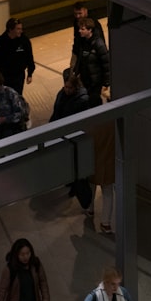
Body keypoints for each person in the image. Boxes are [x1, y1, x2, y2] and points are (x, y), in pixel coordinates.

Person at [50, 68, 93, 206]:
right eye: (65, 86)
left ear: (76, 87)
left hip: (74, 136)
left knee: (74, 161)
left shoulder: (82, 100)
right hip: (62, 134)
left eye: (69, 87)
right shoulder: (61, 94)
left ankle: (75, 185)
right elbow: (56, 112)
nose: (66, 89)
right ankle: (69, 179)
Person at [0, 18, 35, 94]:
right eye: (18, 29)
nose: (21, 31)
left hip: (18, 76)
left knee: (17, 97)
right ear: (10, 29)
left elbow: (29, 57)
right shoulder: (0, 42)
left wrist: (30, 73)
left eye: (21, 28)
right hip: (5, 77)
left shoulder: (24, 40)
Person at [76, 17, 110, 106]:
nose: (80, 31)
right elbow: (81, 59)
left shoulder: (98, 44)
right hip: (87, 79)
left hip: (96, 81)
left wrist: (106, 83)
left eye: (82, 29)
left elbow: (106, 64)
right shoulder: (83, 42)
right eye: (79, 28)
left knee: (94, 101)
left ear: (90, 30)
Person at [70, 1, 105, 69]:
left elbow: (99, 40)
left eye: (80, 13)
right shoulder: (76, 22)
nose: (77, 16)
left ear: (86, 11)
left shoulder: (93, 23)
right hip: (79, 50)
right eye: (75, 14)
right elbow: (76, 38)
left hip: (89, 53)